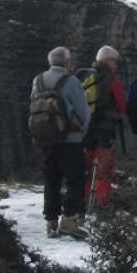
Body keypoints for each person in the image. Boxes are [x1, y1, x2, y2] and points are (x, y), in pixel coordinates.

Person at [31, 46, 91, 239]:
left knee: (51, 180)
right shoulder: (71, 81)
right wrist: (81, 131)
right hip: (69, 140)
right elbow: (83, 112)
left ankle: (51, 221)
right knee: (75, 179)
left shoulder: (38, 80)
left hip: (45, 139)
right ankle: (69, 219)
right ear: (67, 62)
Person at [81, 45, 127, 211]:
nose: (116, 65)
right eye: (115, 61)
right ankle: (101, 204)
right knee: (103, 170)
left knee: (86, 169)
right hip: (105, 131)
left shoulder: (85, 75)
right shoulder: (112, 80)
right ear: (108, 61)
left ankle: (84, 203)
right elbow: (122, 105)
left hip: (86, 129)